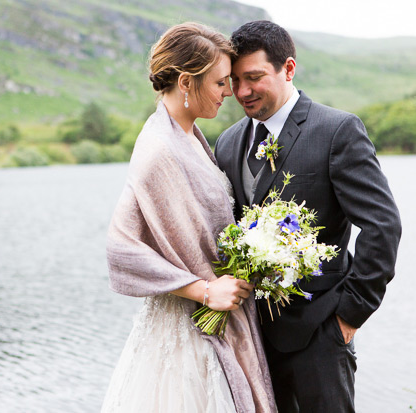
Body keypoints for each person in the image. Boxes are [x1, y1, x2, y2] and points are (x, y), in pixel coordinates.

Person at [215, 20, 402, 412]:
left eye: (253, 78)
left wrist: (350, 316)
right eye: (234, 81)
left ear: (288, 69)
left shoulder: (337, 130)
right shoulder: (229, 141)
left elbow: (382, 225)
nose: (242, 92)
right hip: (251, 336)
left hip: (321, 332)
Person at [102, 22, 277, 413]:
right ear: (186, 82)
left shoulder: (189, 136)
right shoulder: (159, 150)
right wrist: (203, 290)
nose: (229, 92)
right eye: (219, 83)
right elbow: (120, 250)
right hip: (189, 330)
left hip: (213, 317)